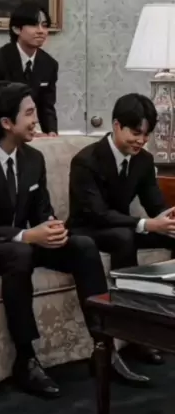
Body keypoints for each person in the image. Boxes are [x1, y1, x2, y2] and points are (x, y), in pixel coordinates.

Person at [0, 81, 128, 398]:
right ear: (6, 122)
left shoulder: (33, 159)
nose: (36, 120)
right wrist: (27, 235)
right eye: (29, 113)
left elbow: (42, 211)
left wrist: (52, 228)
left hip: (22, 243)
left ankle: (103, 348)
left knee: (82, 245)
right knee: (20, 254)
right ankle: (25, 359)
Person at [68, 93, 175, 380]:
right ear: (116, 125)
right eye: (135, 133)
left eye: (146, 135)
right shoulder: (86, 160)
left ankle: (163, 325)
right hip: (87, 230)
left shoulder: (143, 160)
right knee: (124, 237)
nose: (141, 141)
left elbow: (155, 205)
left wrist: (168, 218)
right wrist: (146, 224)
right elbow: (98, 214)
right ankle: (128, 336)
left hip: (123, 228)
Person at [0, 1, 58, 136]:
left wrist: (51, 132)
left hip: (32, 135)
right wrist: (31, 133)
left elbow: (47, 106)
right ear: (16, 29)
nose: (41, 31)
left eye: (44, 26)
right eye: (34, 25)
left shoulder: (49, 64)